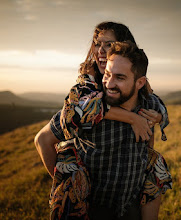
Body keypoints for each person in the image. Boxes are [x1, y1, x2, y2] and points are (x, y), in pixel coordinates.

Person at [35, 22, 171, 219]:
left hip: (130, 206)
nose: (100, 51)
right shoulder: (85, 97)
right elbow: (45, 138)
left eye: (108, 45)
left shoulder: (142, 97)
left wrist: (157, 116)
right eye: (97, 44)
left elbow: (148, 142)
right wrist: (69, 185)